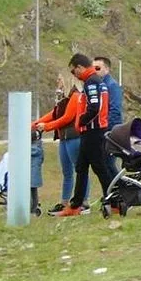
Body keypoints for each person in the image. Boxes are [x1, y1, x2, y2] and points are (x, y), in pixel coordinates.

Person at [55, 53, 115, 216]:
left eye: (73, 71)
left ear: (80, 67)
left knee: (99, 167)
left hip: (93, 131)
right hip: (92, 131)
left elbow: (94, 107)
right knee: (81, 167)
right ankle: (76, 204)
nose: (74, 75)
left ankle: (114, 200)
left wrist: (81, 121)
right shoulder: (96, 81)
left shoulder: (91, 82)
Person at [33, 77, 89, 215]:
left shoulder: (76, 96)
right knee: (66, 172)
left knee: (80, 170)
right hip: (63, 137)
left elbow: (67, 117)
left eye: (60, 80)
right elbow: (54, 114)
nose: (58, 83)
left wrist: (47, 127)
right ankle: (64, 202)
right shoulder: (62, 99)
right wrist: (34, 124)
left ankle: (84, 201)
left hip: (74, 137)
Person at [93, 57, 123, 175]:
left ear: (107, 69)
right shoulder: (98, 85)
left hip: (109, 130)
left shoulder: (112, 85)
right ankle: (114, 185)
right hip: (102, 129)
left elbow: (115, 110)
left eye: (97, 68)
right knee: (103, 164)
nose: (94, 71)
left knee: (108, 163)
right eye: (92, 68)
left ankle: (119, 185)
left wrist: (104, 128)